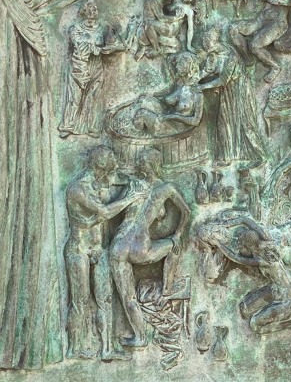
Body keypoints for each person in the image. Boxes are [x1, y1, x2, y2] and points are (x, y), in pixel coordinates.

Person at [64, 146, 146, 360]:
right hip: (79, 249)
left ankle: (107, 349)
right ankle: (74, 348)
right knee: (80, 301)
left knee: (105, 299)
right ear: (100, 162)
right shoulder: (78, 188)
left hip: (98, 248)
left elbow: (120, 181)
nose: (115, 159)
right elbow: (106, 212)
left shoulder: (99, 182)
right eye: (111, 156)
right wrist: (131, 198)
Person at [110, 148, 191, 348]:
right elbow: (186, 212)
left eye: (141, 163)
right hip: (140, 246)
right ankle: (167, 289)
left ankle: (140, 337)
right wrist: (177, 235)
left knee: (128, 297)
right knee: (173, 247)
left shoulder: (134, 185)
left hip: (119, 245)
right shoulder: (166, 188)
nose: (139, 166)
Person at [59, 0, 127, 138]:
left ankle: (93, 127)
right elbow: (79, 44)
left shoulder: (103, 28)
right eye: (89, 9)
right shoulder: (75, 29)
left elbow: (116, 44)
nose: (92, 12)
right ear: (83, 12)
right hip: (79, 66)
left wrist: (112, 44)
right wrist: (97, 48)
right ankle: (68, 125)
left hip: (96, 65)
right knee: (74, 97)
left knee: (94, 96)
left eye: (94, 9)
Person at [198, 26, 267, 162]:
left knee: (246, 123)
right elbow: (207, 70)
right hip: (227, 92)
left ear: (214, 41)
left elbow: (223, 80)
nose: (204, 44)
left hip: (239, 90)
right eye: (204, 41)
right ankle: (228, 156)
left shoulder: (231, 56)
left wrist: (202, 86)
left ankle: (259, 157)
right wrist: (193, 80)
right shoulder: (213, 55)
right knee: (224, 122)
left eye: (207, 41)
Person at [132, 52, 204, 136]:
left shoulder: (197, 93)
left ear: (189, 67)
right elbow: (169, 90)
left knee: (141, 113)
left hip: (176, 128)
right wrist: (152, 94)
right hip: (167, 116)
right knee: (143, 100)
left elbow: (196, 121)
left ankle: (138, 137)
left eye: (180, 64)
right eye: (177, 64)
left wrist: (172, 116)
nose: (177, 67)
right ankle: (139, 132)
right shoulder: (180, 83)